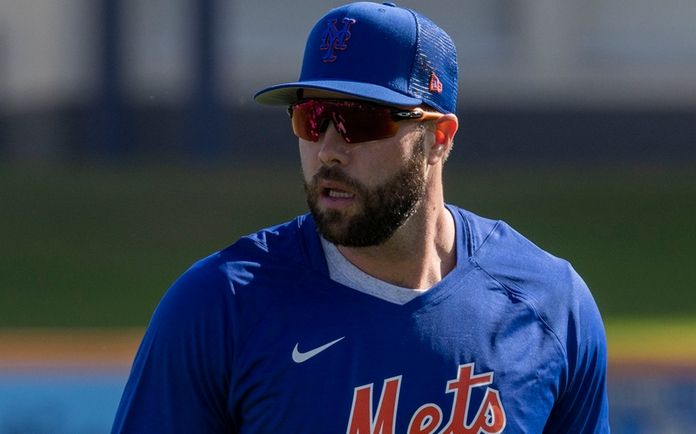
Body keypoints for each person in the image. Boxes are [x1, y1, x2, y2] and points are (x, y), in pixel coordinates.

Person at [112, 2, 610, 433]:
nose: (327, 150)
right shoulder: (219, 308)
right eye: (311, 119)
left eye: (360, 120)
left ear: (439, 138)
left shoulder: (551, 306)